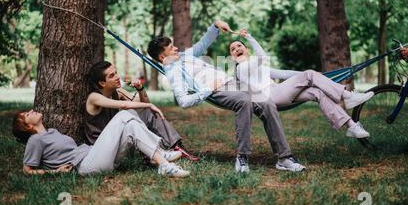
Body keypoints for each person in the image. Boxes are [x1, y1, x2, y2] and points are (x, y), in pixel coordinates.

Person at [147, 20, 306, 173]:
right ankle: (242, 157)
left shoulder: (184, 55)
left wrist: (215, 25)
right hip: (218, 91)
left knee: (266, 102)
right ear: (162, 57)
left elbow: (203, 43)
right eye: (171, 48)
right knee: (245, 102)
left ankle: (284, 158)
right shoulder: (174, 72)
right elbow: (183, 102)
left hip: (232, 82)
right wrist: (208, 89)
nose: (176, 48)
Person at [228, 30, 374, 138]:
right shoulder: (241, 69)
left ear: (246, 50)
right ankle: (348, 96)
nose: (236, 49)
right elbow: (262, 56)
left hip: (279, 92)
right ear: (233, 58)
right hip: (269, 97)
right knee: (309, 74)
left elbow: (284, 74)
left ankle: (352, 126)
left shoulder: (258, 68)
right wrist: (248, 37)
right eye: (233, 49)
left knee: (317, 92)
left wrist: (317, 78)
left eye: (239, 45)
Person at [12, 109, 190, 177]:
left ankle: (158, 158)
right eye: (27, 114)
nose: (31, 110)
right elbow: (27, 170)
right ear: (27, 126)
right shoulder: (35, 140)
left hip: (93, 156)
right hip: (85, 166)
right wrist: (54, 172)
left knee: (131, 120)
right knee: (123, 116)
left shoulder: (52, 132)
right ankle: (161, 158)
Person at [85, 61, 199, 162]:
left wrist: (140, 88)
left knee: (148, 113)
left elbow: (144, 104)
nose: (117, 77)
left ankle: (176, 147)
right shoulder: (94, 97)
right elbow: (124, 105)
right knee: (128, 114)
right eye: (112, 75)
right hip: (103, 150)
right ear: (102, 83)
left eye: (116, 72)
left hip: (117, 141)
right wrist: (150, 104)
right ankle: (156, 153)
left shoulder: (117, 92)